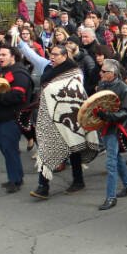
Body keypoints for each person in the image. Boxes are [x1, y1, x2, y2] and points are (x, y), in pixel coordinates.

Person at [31, 44, 100, 199]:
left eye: (55, 54)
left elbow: (74, 90)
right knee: (46, 147)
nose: (52, 57)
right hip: (51, 116)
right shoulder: (50, 70)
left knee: (74, 149)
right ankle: (43, 186)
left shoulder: (74, 71)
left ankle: (78, 180)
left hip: (70, 115)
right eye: (51, 54)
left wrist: (51, 92)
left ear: (64, 56)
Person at [93, 58, 127, 210]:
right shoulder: (101, 84)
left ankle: (111, 197)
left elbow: (125, 112)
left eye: (104, 71)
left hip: (115, 128)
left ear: (112, 73)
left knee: (111, 162)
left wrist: (108, 116)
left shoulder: (123, 88)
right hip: (104, 125)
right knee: (116, 158)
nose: (101, 73)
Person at [0, 44, 32, 192]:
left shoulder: (19, 73)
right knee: (5, 150)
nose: (0, 57)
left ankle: (16, 181)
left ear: (13, 56)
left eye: (3, 55)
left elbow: (18, 95)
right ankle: (13, 177)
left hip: (12, 118)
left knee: (10, 150)